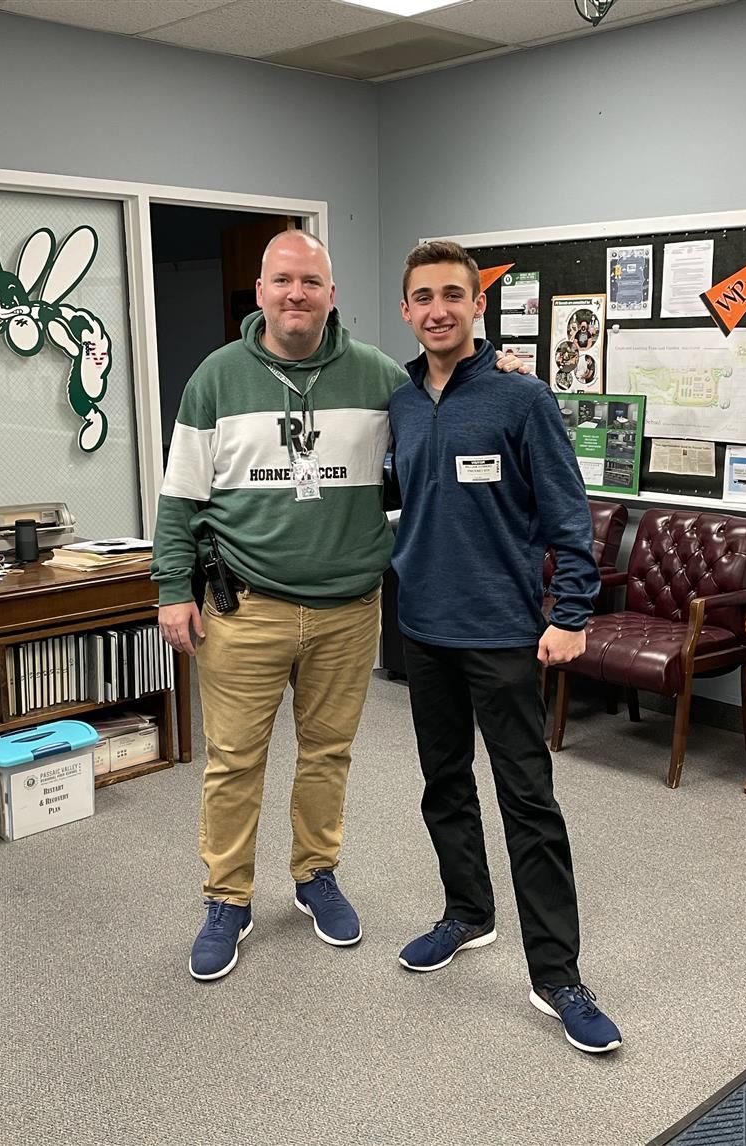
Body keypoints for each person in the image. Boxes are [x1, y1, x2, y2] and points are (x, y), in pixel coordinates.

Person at [152, 230, 523, 982]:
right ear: (259, 292)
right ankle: (228, 898)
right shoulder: (216, 379)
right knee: (233, 762)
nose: (297, 294)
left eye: (311, 282)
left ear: (332, 294)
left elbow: (451, 391)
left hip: (348, 611)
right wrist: (170, 589)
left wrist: (504, 366)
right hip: (244, 607)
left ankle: (315, 876)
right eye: (283, 281)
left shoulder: (380, 377)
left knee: (327, 755)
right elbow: (180, 496)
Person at [389, 240, 622, 1055]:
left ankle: (556, 974)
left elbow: (569, 514)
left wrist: (572, 612)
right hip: (422, 627)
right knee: (443, 782)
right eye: (423, 297)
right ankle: (467, 912)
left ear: (476, 304)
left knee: (528, 800)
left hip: (502, 634)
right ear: (407, 309)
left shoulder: (523, 399)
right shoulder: (402, 401)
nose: (439, 310)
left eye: (453, 294)